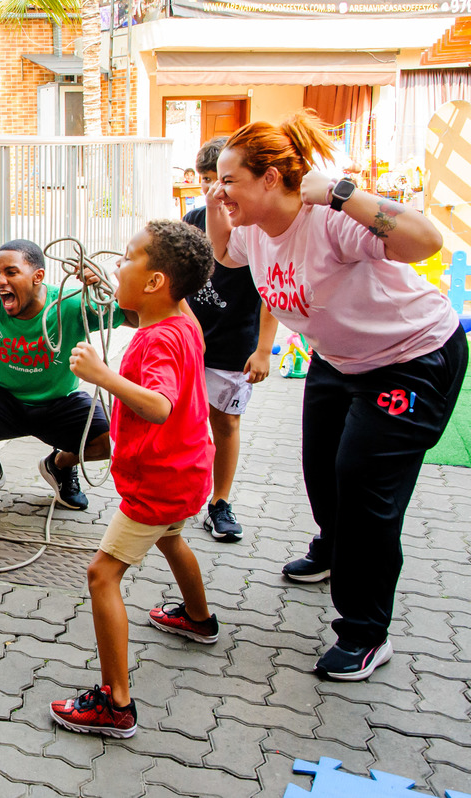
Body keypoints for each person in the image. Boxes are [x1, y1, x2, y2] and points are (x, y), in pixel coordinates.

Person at [204, 109, 467, 681]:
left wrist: (344, 192)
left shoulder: (330, 220)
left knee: (364, 486)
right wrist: (218, 204)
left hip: (412, 358)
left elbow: (426, 240)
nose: (217, 189)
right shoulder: (252, 230)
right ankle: (332, 548)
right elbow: (220, 257)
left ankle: (366, 633)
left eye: (229, 179)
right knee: (320, 468)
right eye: (216, 180)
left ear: (271, 179)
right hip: (338, 359)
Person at [49, 220, 217, 738]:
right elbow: (164, 296)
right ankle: (197, 618)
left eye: (127, 257)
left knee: (102, 575)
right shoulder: (182, 319)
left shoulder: (156, 342)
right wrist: (107, 282)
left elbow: (161, 406)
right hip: (189, 473)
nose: (117, 264)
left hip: (158, 482)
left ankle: (115, 703)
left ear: (155, 282)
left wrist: (103, 376)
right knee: (170, 538)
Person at [0, 240, 128, 514]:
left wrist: (106, 285)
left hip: (59, 401)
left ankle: (60, 466)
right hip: (3, 398)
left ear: (37, 276)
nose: (1, 280)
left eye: (11, 272)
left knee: (116, 438)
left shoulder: (71, 301)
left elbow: (130, 316)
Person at [183, 137, 279, 542]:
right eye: (206, 179)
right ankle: (178, 492)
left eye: (221, 180)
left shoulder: (254, 228)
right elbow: (177, 278)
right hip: (191, 341)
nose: (213, 190)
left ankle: (219, 502)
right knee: (179, 418)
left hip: (234, 346)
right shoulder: (194, 218)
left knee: (225, 422)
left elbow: (271, 294)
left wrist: (262, 350)